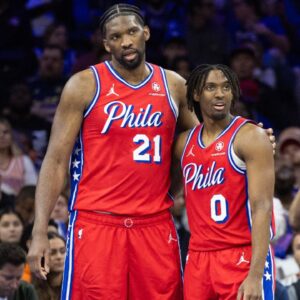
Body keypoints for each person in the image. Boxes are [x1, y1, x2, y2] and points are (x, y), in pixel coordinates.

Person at [27, 4, 275, 300]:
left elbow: (206, 143)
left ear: (146, 32)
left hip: (155, 224)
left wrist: (255, 138)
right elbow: (55, 161)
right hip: (97, 223)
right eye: (116, 37)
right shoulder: (83, 85)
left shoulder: (173, 86)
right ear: (106, 44)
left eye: (132, 31)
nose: (126, 41)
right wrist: (39, 231)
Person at [173, 64, 275, 299]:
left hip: (240, 255)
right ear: (196, 94)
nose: (220, 94)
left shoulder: (251, 137)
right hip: (199, 258)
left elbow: (262, 208)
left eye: (226, 87)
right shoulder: (183, 144)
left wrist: (255, 275)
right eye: (211, 87)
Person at [32, 232, 66, 300]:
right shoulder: (31, 291)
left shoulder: (75, 287)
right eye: (52, 253)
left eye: (63, 251)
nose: (59, 257)